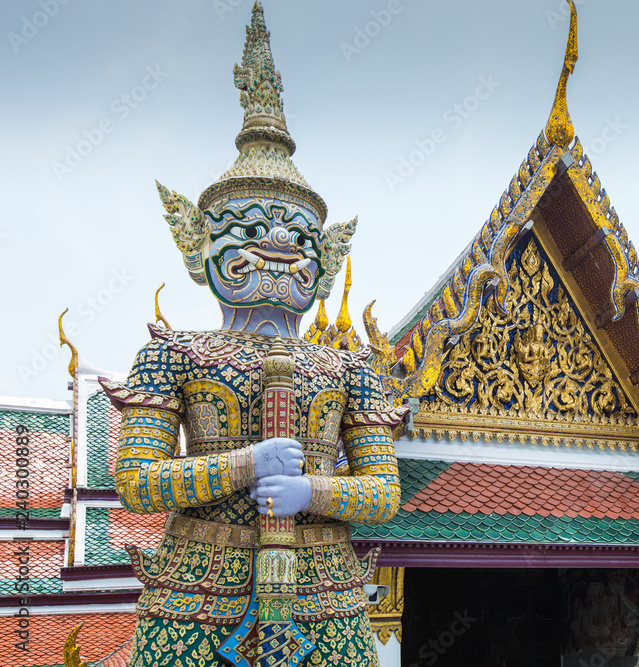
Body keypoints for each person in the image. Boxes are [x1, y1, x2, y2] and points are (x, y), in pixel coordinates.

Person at [101, 4, 405, 665]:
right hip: (197, 591)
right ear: (200, 247)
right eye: (250, 228)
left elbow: (383, 491)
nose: (277, 244)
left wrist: (310, 491)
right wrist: (245, 464)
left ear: (324, 259)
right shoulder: (173, 354)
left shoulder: (348, 366)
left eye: (297, 235)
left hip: (324, 592)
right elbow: (136, 481)